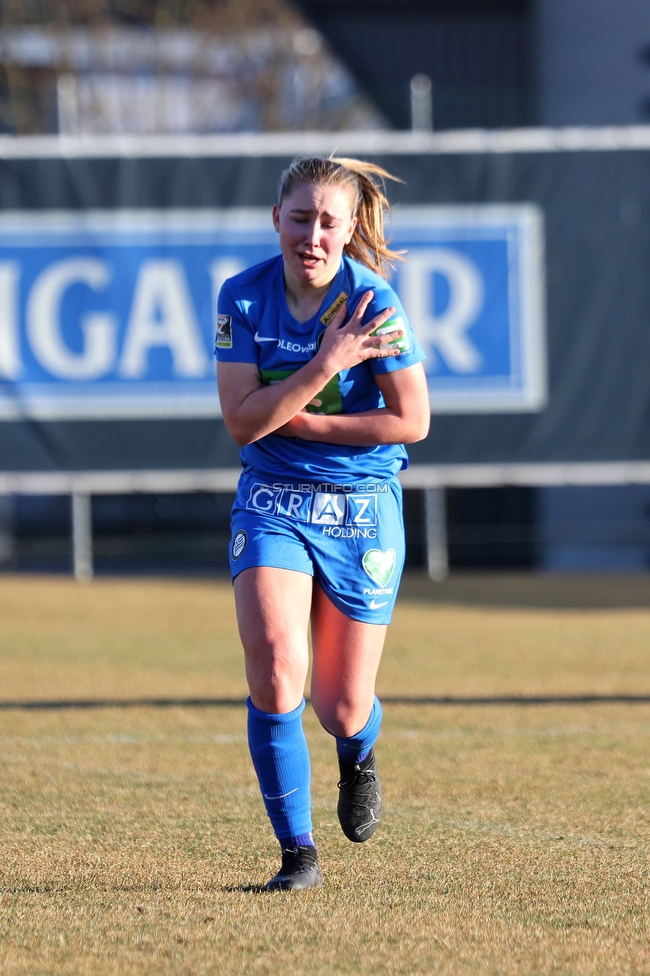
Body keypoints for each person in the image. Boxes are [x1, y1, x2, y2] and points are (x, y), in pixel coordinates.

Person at [215, 155, 430, 891]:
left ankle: (359, 748)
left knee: (339, 706)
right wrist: (326, 363)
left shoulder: (374, 306)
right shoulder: (241, 299)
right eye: (299, 218)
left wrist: (302, 422)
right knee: (276, 666)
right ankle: (296, 855)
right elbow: (244, 425)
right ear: (277, 220)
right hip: (272, 495)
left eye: (327, 222)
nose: (312, 234)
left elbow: (412, 420)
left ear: (348, 231)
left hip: (361, 506)